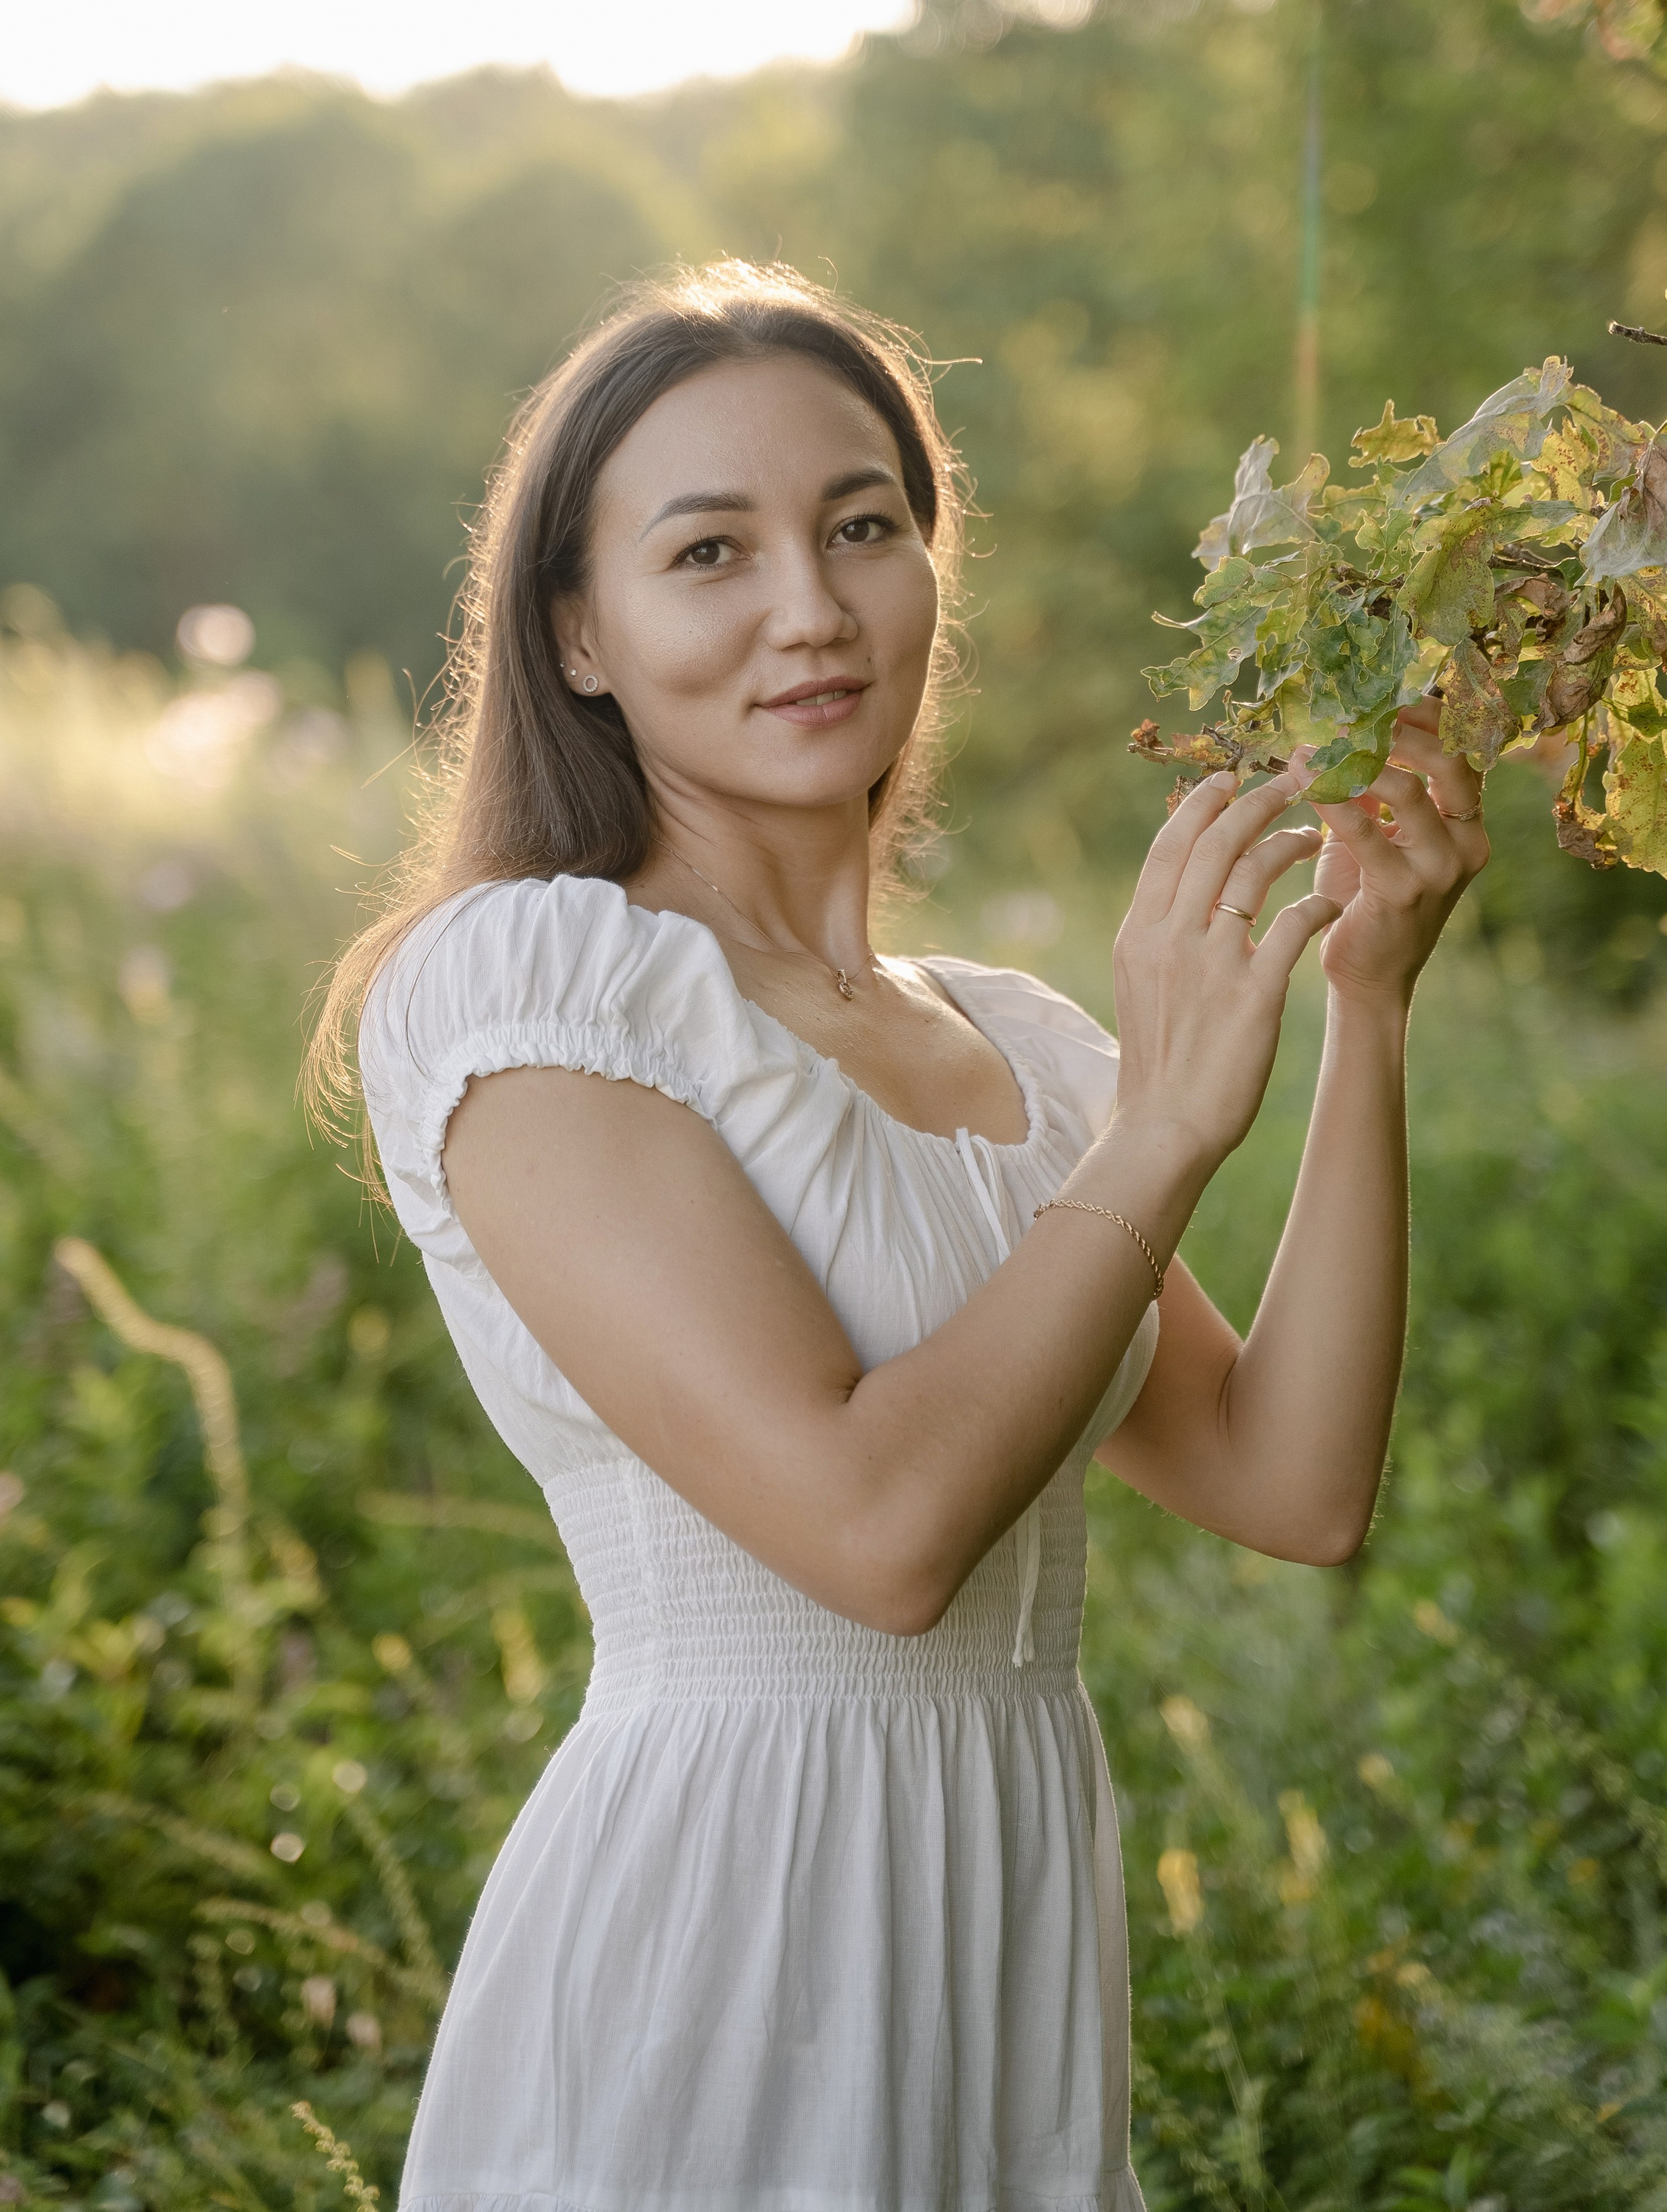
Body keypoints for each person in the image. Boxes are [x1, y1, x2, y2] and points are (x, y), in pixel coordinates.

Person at [310, 259, 1487, 2212]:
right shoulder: (533, 984)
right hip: (724, 1949)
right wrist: (1176, 1124)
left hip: (1004, 1941)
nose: (813, 606)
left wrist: (1367, 1005)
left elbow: (1297, 1482)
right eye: (711, 550)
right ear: (579, 635)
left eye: (864, 526)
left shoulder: (1014, 1043)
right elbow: (877, 1535)